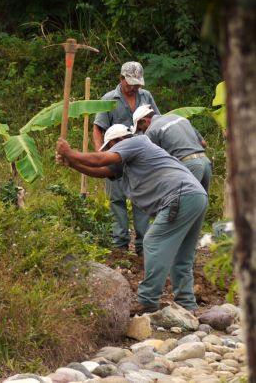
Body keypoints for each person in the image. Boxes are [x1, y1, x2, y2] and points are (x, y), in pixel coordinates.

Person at [56, 125, 208, 315]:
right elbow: (102, 170)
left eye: (110, 148)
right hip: (194, 196)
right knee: (182, 255)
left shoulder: (135, 142)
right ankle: (187, 304)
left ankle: (148, 300)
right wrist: (71, 162)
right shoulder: (132, 160)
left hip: (179, 197)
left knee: (153, 242)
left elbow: (99, 159)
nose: (110, 153)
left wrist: (70, 152)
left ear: (116, 143)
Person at [93, 62, 160, 254]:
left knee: (142, 200)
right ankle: (120, 244)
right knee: (117, 199)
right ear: (121, 79)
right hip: (116, 156)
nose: (134, 87)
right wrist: (101, 155)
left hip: (141, 159)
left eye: (137, 84)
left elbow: (155, 121)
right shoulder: (109, 99)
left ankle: (143, 245)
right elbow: (98, 128)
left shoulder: (146, 97)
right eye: (130, 83)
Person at [131, 105, 212, 192]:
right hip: (206, 162)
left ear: (144, 121)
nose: (143, 132)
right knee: (201, 201)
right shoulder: (179, 118)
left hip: (189, 166)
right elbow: (203, 143)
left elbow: (151, 160)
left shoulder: (151, 130)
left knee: (184, 201)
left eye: (140, 129)